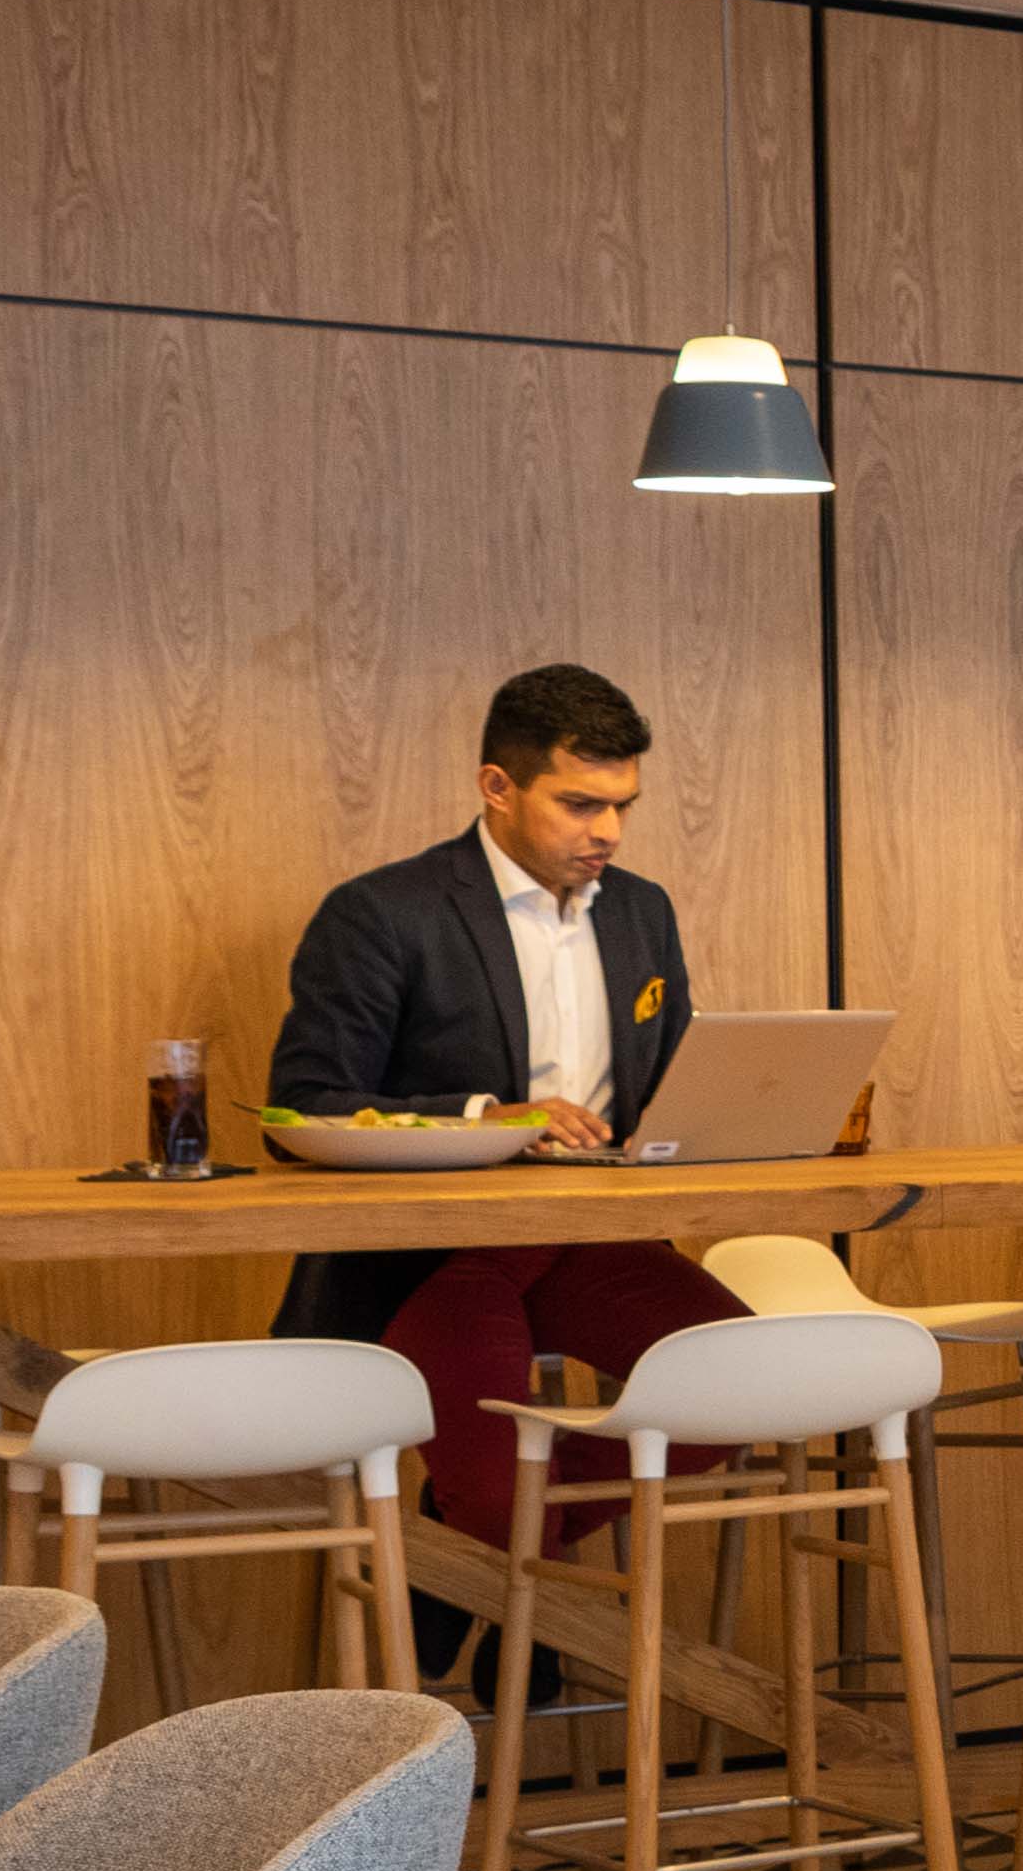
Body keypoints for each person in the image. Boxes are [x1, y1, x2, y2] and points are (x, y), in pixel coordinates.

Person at [267, 663, 742, 1550]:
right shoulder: (381, 913)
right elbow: (303, 1107)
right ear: (497, 786)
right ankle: (493, 1544)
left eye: (623, 805)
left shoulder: (642, 912)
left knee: (751, 1384)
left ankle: (479, 1544)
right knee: (498, 1500)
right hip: (440, 1253)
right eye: (579, 804)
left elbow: (668, 1079)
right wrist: (485, 1115)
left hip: (596, 1237)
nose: (608, 831)